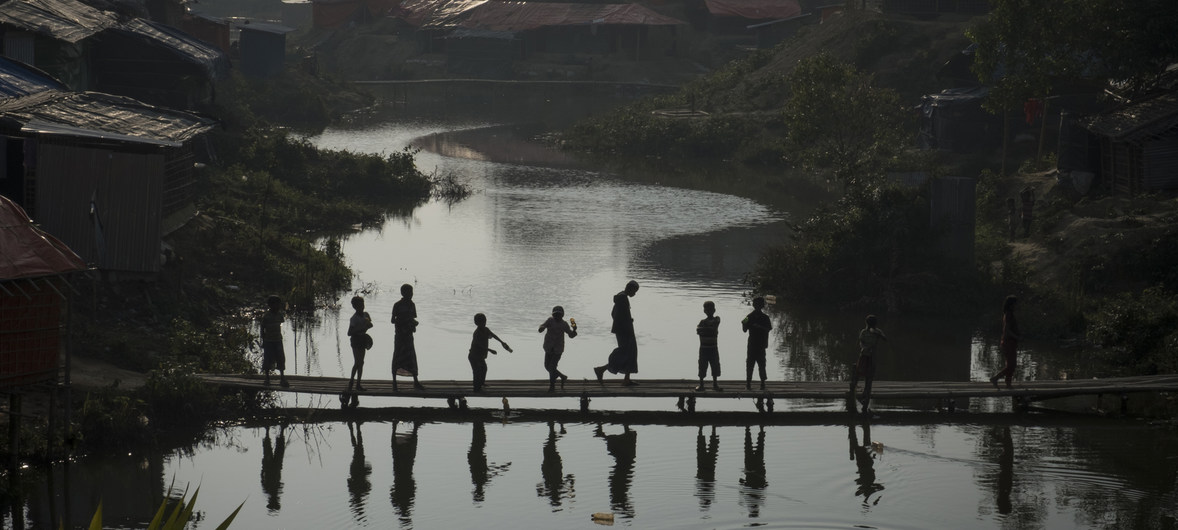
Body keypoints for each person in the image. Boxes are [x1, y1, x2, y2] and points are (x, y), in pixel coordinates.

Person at [594, 280, 640, 386]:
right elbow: (618, 315)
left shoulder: (621, 297)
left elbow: (614, 314)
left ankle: (626, 379)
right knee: (624, 352)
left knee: (630, 353)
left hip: (623, 329)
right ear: (630, 288)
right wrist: (626, 323)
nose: (635, 293)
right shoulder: (623, 298)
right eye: (635, 291)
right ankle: (602, 369)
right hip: (625, 331)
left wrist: (628, 319)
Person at [850, 314, 887, 413]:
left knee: (869, 378)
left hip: (872, 358)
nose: (871, 326)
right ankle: (856, 394)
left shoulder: (877, 331)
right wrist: (865, 347)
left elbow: (885, 338)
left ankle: (865, 399)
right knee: (858, 374)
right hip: (863, 356)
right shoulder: (863, 331)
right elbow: (861, 342)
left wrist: (877, 333)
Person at [391, 283, 423, 391]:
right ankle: (394, 383)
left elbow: (412, 318)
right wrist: (403, 321)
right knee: (397, 357)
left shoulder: (412, 305)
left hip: (408, 335)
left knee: (411, 358)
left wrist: (412, 323)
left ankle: (416, 381)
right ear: (403, 293)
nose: (411, 295)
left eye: (412, 292)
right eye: (409, 293)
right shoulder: (397, 305)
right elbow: (392, 320)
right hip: (400, 335)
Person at [469, 312, 512, 392]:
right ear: (476, 323)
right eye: (482, 322)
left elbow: (494, 335)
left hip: (480, 356)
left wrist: (502, 342)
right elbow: (479, 345)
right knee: (477, 371)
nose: (484, 323)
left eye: (485, 321)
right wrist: (490, 350)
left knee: (484, 369)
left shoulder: (486, 330)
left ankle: (482, 383)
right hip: (474, 356)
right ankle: (476, 388)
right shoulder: (477, 333)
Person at [538, 305, 577, 392]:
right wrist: (542, 328)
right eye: (555, 315)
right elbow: (543, 325)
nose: (557, 316)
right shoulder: (550, 320)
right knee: (547, 366)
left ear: (562, 315)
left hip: (557, 349)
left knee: (552, 367)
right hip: (548, 347)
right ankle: (562, 376)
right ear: (553, 314)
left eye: (559, 315)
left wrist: (574, 331)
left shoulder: (564, 324)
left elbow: (571, 335)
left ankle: (552, 386)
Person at [741, 296, 772, 390]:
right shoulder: (749, 317)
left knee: (762, 364)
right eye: (756, 304)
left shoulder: (765, 318)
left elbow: (768, 329)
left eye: (759, 304)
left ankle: (762, 383)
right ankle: (748, 383)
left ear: (762, 305)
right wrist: (744, 324)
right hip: (752, 344)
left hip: (761, 345)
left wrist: (759, 327)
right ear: (753, 305)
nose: (757, 306)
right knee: (750, 364)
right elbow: (744, 329)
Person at [990, 295, 1020, 389]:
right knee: (1011, 365)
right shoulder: (1008, 314)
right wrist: (1016, 337)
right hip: (1008, 342)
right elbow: (1007, 330)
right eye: (1015, 304)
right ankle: (995, 378)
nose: (1016, 306)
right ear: (1011, 305)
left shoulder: (1009, 314)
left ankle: (1008, 384)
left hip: (1010, 342)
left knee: (1011, 365)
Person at [260, 295, 289, 387]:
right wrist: (263, 340)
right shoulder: (267, 317)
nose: (278, 306)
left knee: (280, 358)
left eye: (279, 305)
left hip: (278, 340)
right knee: (268, 359)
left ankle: (282, 378)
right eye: (276, 304)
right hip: (269, 341)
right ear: (271, 305)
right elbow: (262, 329)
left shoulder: (280, 315)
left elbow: (281, 322)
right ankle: (267, 378)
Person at [346, 295, 373, 394]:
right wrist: (361, 328)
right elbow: (349, 332)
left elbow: (370, 324)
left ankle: (358, 384)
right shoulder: (354, 318)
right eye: (360, 305)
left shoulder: (366, 315)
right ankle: (351, 382)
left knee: (361, 362)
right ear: (355, 307)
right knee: (357, 362)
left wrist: (367, 324)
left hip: (363, 339)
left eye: (363, 304)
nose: (362, 306)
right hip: (356, 340)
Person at [695, 301, 723, 391]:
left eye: (710, 309)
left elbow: (713, 328)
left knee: (715, 365)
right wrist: (708, 329)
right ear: (704, 311)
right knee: (702, 365)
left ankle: (715, 384)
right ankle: (701, 384)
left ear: (714, 310)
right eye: (707, 309)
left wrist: (705, 329)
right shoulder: (702, 321)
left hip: (713, 348)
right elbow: (698, 330)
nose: (709, 311)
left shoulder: (717, 319)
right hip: (703, 348)